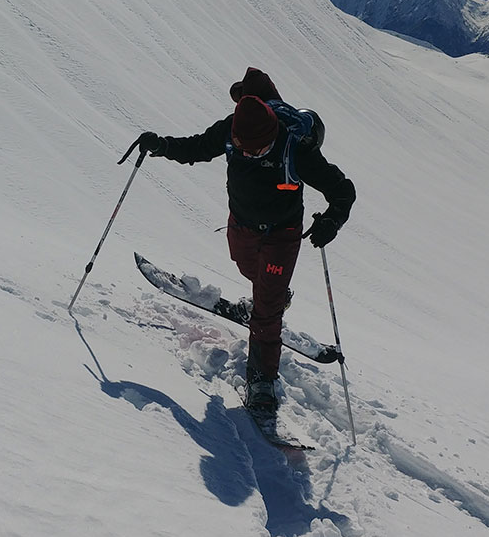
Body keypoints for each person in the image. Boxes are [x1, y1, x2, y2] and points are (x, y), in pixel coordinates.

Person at [137, 67, 355, 413]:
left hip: (282, 234)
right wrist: (162, 146)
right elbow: (197, 146)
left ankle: (262, 380)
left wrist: (331, 221)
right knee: (247, 269)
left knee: (267, 313)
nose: (250, 154)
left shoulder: (294, 148)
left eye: (258, 150)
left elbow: (342, 190)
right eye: (243, 149)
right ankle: (271, 295)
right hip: (241, 225)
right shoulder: (230, 128)